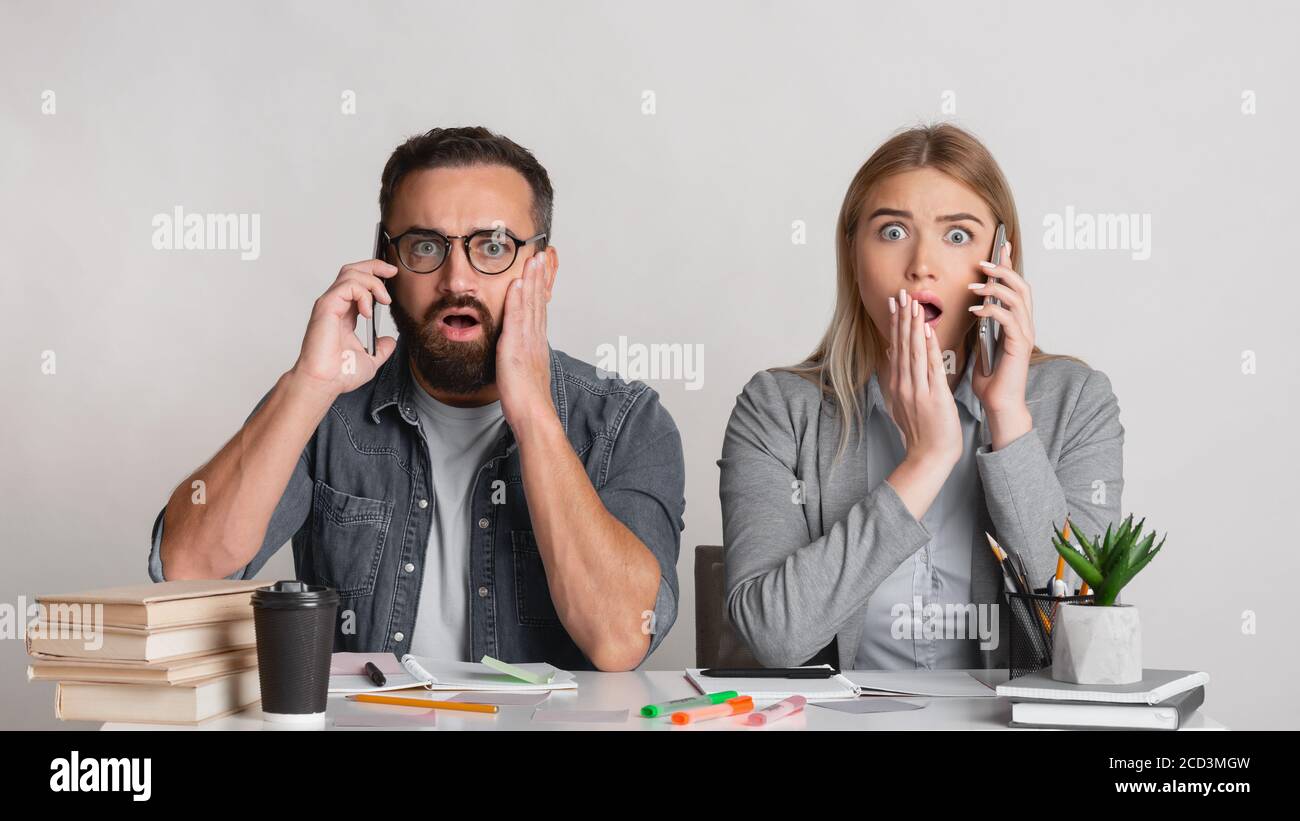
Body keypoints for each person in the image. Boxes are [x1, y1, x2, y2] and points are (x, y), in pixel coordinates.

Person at [149, 126, 685, 672]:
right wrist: (307, 386)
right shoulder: (327, 407)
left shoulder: (625, 420)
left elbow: (620, 638)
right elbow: (188, 571)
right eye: (426, 246)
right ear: (387, 263)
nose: (457, 280)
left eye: (493, 247)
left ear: (542, 273)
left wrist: (534, 415)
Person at [719, 123, 1124, 670]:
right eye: (891, 232)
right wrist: (926, 461)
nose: (921, 265)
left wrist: (1007, 420)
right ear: (852, 253)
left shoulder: (1078, 402)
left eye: (957, 235)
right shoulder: (778, 410)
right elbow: (775, 637)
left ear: (1001, 261)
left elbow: (1081, 636)